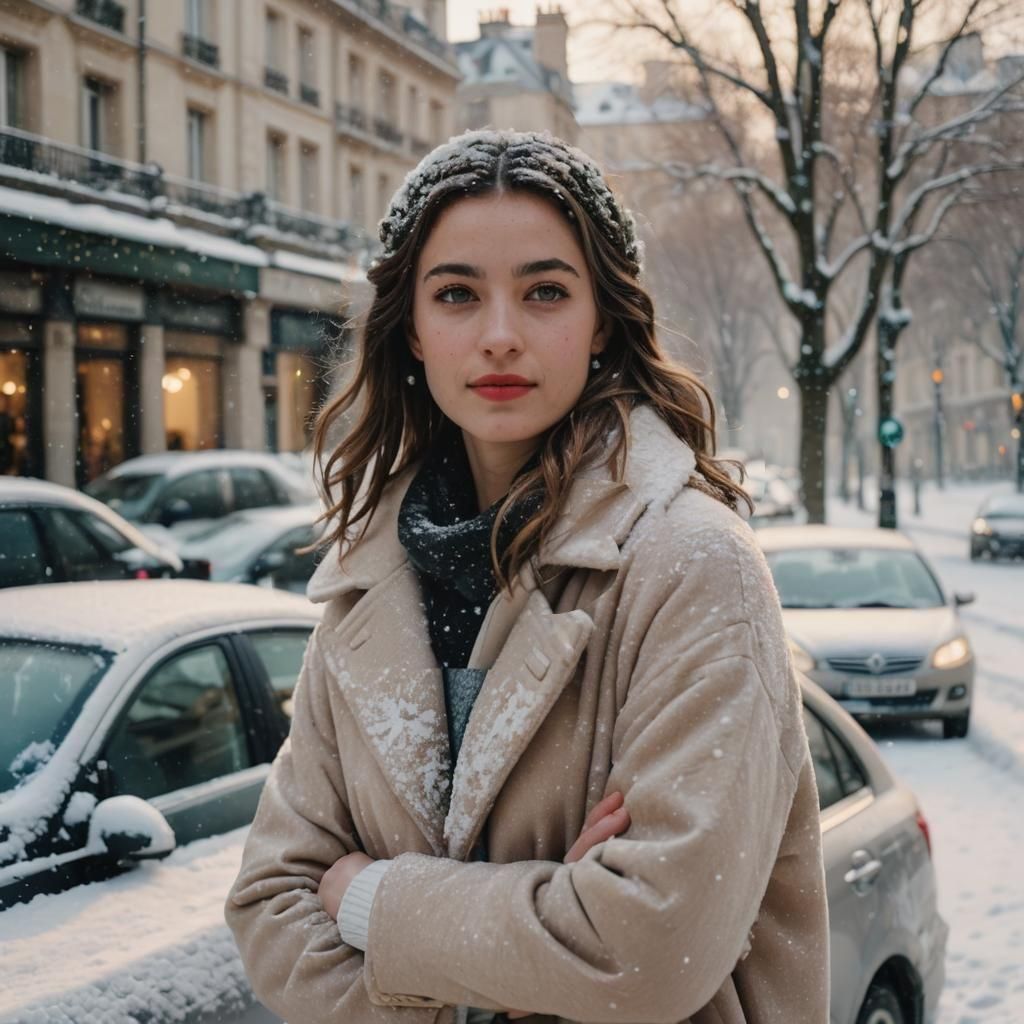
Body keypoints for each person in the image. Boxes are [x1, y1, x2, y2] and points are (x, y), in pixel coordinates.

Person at [226, 130, 829, 1024]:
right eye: (458, 294)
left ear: (602, 324)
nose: (500, 335)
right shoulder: (367, 579)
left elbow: (648, 950)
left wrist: (367, 900)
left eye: (545, 291)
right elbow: (270, 903)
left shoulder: (695, 567)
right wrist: (534, 950)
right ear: (414, 335)